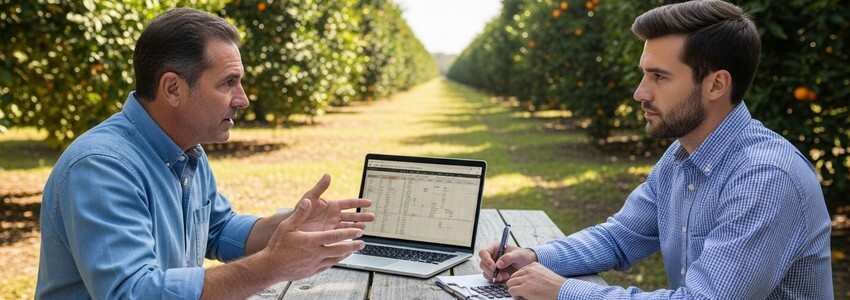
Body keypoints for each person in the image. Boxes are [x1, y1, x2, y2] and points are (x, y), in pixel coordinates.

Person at [478, 0, 833, 299]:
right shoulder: (682, 157)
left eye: (659, 77)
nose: (640, 93)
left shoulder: (766, 177)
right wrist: (534, 256)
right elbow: (620, 237)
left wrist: (563, 291)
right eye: (644, 74)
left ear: (716, 84)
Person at [36, 7, 375, 299]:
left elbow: (219, 228)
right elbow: (133, 292)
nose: (242, 99)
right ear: (173, 88)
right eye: (228, 82)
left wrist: (288, 225)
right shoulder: (101, 167)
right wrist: (272, 265)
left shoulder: (186, 150)